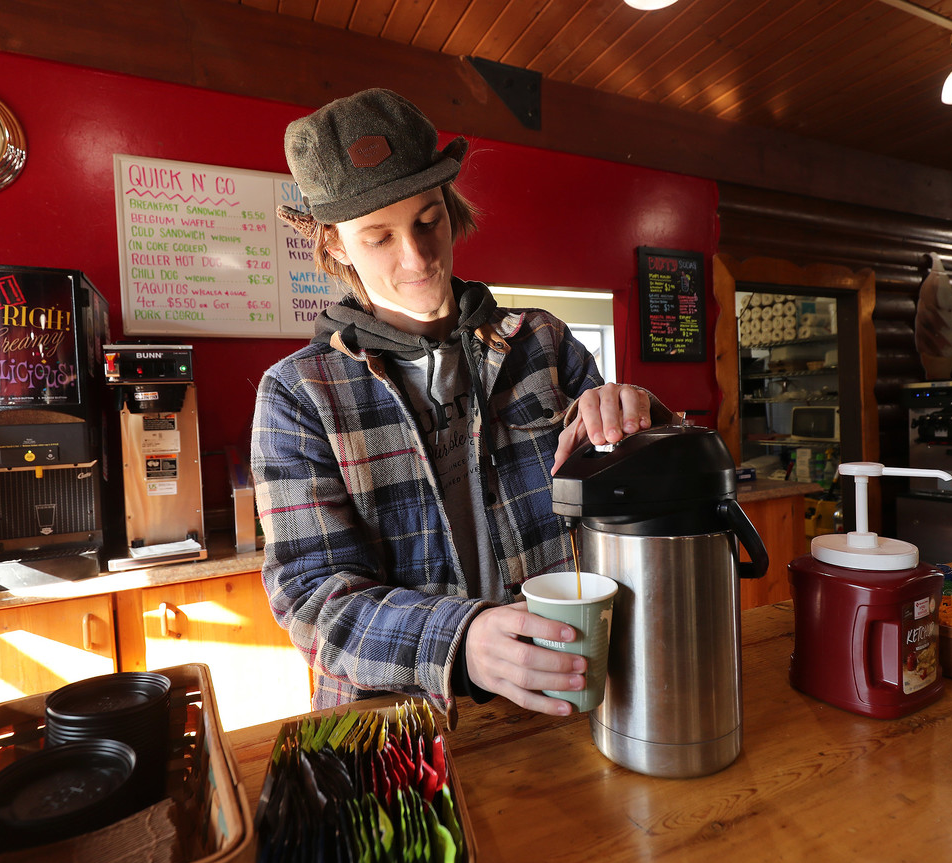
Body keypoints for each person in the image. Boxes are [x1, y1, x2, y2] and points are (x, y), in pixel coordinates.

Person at [252, 88, 674, 726]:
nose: (417, 258)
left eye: (428, 221)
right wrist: (460, 640)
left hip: (567, 697)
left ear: (450, 207)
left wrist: (641, 416)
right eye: (378, 238)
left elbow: (637, 498)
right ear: (334, 244)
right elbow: (313, 599)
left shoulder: (546, 344)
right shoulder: (298, 395)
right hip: (398, 731)